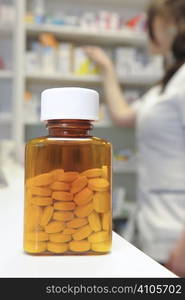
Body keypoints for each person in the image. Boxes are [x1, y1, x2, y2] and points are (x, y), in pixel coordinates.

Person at [85, 0, 185, 277]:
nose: (145, 31)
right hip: (156, 227)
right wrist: (107, 68)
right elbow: (123, 115)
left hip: (177, 234)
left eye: (150, 23)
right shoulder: (166, 84)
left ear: (172, 26)